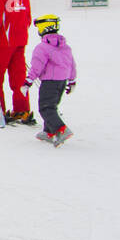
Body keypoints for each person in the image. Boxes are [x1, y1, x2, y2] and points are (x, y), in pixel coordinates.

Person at [23, 15, 76, 145]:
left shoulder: (42, 48)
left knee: (46, 108)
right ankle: (49, 132)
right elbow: (71, 64)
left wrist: (29, 80)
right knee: (52, 106)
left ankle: (61, 129)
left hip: (49, 82)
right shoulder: (65, 47)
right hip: (61, 82)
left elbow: (37, 65)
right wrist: (72, 80)